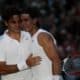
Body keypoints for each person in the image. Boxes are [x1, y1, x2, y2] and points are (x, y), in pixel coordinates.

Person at [20, 7, 63, 80]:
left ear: (34, 20)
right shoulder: (26, 39)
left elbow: (56, 60)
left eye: (26, 20)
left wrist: (56, 78)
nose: (23, 23)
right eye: (21, 21)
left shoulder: (42, 36)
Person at [0, 6, 41, 80]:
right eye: (13, 22)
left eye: (19, 21)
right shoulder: (1, 42)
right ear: (6, 23)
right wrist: (25, 64)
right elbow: (1, 70)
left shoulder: (28, 35)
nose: (17, 25)